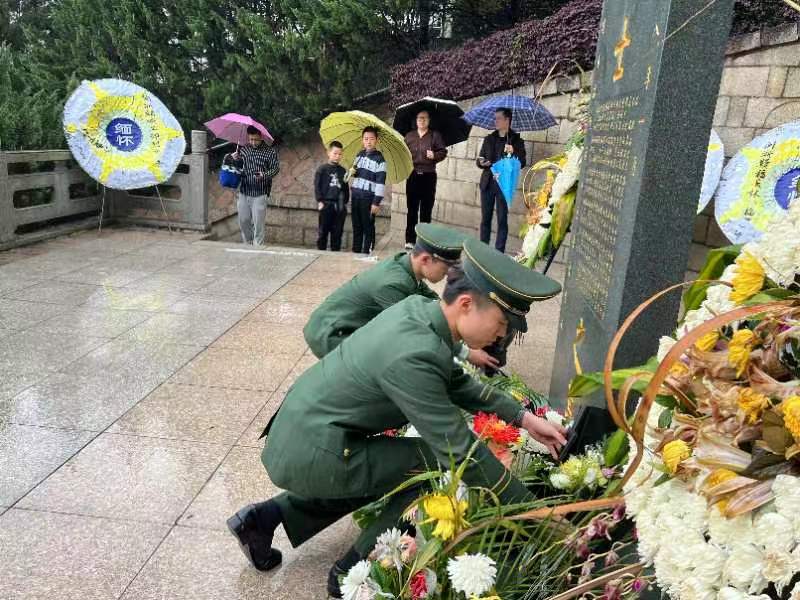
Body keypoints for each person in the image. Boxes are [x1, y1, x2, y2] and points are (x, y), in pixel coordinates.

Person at [227, 238, 565, 598]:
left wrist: (524, 419)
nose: (501, 334)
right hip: (311, 447)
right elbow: (460, 451)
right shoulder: (415, 352)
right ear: (466, 304)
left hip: (310, 434)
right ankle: (352, 572)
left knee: (392, 467)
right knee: (433, 466)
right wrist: (538, 515)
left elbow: (458, 384)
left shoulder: (422, 312)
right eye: (501, 323)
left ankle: (264, 519)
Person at [303, 222, 498, 369]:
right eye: (446, 267)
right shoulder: (393, 284)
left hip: (342, 325)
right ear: (425, 259)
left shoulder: (405, 265)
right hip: (332, 333)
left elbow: (433, 303)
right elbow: (418, 328)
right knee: (392, 366)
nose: (448, 274)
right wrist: (465, 352)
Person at [476, 108, 526, 253]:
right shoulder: (489, 139)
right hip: (488, 183)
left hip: (504, 185)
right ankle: (482, 249)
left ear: (507, 120)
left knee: (502, 220)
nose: (495, 121)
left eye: (498, 118)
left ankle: (499, 252)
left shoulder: (516, 141)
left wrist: (513, 152)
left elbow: (522, 162)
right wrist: (482, 162)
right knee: (485, 219)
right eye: (495, 118)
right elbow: (480, 158)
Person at [403, 110, 447, 249]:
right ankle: (410, 240)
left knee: (426, 210)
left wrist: (434, 155)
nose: (422, 120)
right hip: (413, 175)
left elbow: (443, 151)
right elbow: (403, 153)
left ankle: (424, 242)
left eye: (425, 118)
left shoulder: (435, 135)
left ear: (429, 120)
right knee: (412, 209)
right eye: (419, 118)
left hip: (429, 176)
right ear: (416, 120)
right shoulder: (409, 136)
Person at [234, 126, 280, 246]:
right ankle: (248, 243)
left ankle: (258, 247)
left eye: (256, 139)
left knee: (258, 223)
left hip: (260, 192)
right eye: (251, 139)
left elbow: (275, 169)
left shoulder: (270, 151)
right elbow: (238, 167)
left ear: (261, 137)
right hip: (244, 190)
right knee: (243, 220)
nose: (253, 142)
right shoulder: (244, 149)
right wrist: (234, 159)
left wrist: (264, 175)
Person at [350, 126, 386, 255]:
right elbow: (355, 172)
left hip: (368, 198)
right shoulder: (359, 155)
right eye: (366, 139)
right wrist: (352, 172)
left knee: (368, 226)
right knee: (356, 226)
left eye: (371, 139)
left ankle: (367, 252)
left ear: (376, 140)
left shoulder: (380, 159)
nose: (368, 141)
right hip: (356, 196)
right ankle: (356, 251)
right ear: (362, 140)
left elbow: (380, 183)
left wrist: (376, 202)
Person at [314, 141, 349, 251]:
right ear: (328, 153)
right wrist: (320, 201)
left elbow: (345, 188)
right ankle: (321, 252)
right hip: (326, 204)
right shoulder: (322, 169)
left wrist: (344, 203)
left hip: (339, 205)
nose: (337, 156)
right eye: (335, 153)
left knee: (337, 233)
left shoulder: (343, 171)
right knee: (323, 232)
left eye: (340, 154)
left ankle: (335, 253)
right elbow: (317, 186)